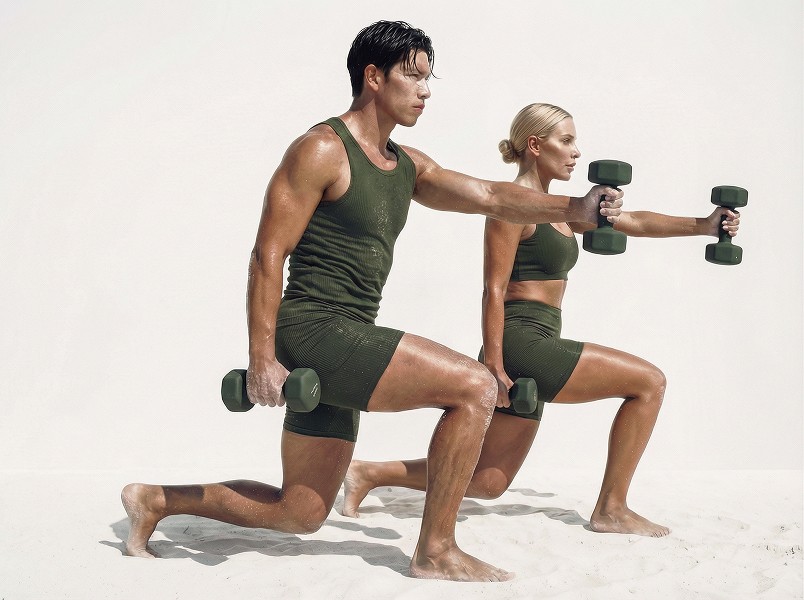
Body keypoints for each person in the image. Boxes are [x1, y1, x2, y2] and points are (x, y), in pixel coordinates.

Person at [120, 28, 622, 582]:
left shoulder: (406, 165)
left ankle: (157, 500)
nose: (425, 89)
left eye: (429, 76)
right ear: (374, 77)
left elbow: (489, 195)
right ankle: (436, 551)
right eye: (413, 74)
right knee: (476, 385)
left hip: (349, 335)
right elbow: (268, 255)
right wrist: (262, 357)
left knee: (299, 513)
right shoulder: (321, 149)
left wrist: (575, 206)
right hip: (314, 330)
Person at [342, 102, 742, 538]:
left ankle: (369, 472)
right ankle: (612, 508)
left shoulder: (567, 209)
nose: (576, 153)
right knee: (649, 382)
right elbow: (493, 290)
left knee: (487, 482)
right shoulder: (513, 209)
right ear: (535, 145)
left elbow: (635, 221)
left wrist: (703, 225)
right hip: (519, 342)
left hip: (538, 338)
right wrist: (493, 366)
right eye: (565, 141)